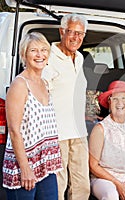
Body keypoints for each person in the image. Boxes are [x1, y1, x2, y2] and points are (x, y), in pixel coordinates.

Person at [2, 32, 62, 199]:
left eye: (44, 50)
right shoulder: (19, 85)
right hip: (23, 165)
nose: (39, 55)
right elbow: (14, 131)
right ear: (24, 54)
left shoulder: (44, 83)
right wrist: (25, 168)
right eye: (33, 50)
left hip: (45, 165)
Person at [42, 14, 90, 199]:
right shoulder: (49, 57)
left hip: (79, 133)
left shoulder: (79, 57)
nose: (76, 38)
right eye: (72, 32)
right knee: (58, 186)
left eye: (81, 34)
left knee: (82, 186)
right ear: (62, 31)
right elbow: (39, 92)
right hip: (57, 134)